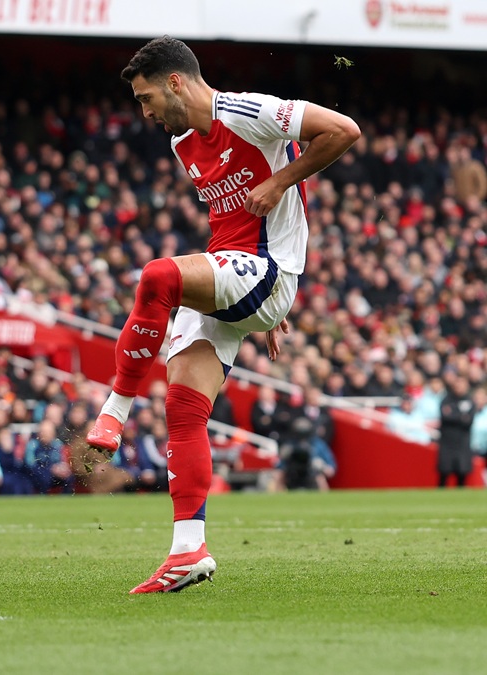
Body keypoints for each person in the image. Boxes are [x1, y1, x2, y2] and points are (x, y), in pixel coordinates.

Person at [87, 37, 360, 593]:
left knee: (157, 276)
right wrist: (243, 303)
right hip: (240, 276)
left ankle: (113, 411)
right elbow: (228, 222)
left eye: (144, 98)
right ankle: (188, 552)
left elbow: (345, 130)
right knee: (184, 410)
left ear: (175, 82)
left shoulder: (249, 111)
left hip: (266, 272)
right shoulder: (182, 141)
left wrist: (281, 181)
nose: (143, 113)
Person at [437, 376, 475, 487]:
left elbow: (469, 420)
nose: (459, 388)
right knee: (444, 472)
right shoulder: (446, 399)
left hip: (462, 442)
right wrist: (461, 417)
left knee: (462, 473)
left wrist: (454, 414)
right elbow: (445, 416)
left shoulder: (469, 400)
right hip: (447, 442)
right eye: (457, 385)